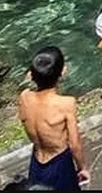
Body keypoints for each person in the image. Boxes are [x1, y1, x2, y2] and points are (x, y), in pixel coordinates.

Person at [18, 47, 89, 190]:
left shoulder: (24, 97)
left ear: (31, 74)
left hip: (37, 160)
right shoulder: (66, 104)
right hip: (59, 161)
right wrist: (82, 168)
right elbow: (75, 144)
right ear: (63, 71)